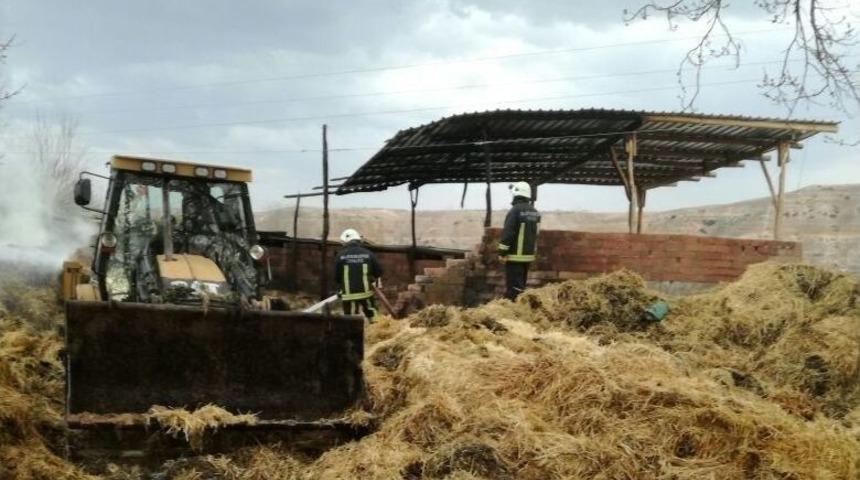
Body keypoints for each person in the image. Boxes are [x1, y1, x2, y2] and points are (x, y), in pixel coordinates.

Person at [498, 181, 541, 300]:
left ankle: (513, 309)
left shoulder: (515, 211)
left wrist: (502, 252)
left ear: (516, 194)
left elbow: (508, 233)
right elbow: (536, 234)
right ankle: (520, 305)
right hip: (527, 256)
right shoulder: (535, 212)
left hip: (514, 256)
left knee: (513, 288)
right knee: (521, 285)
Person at [334, 228, 383, 320]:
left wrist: (341, 287)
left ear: (346, 241)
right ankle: (377, 330)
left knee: (351, 319)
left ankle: (351, 333)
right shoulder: (369, 254)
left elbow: (336, 277)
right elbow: (378, 272)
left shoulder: (340, 256)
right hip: (366, 293)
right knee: (372, 314)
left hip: (348, 295)